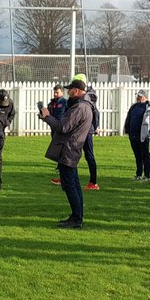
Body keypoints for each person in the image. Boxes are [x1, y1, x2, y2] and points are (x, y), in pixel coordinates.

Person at [40, 79, 94, 228]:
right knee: (74, 184)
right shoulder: (85, 105)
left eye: (70, 89)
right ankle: (76, 216)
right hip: (73, 148)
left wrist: (47, 117)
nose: (68, 92)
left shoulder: (79, 107)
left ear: (76, 90)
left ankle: (76, 219)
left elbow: (62, 127)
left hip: (68, 149)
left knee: (70, 185)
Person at [72, 74, 101, 190]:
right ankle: (68, 178)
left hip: (87, 130)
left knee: (89, 155)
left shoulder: (88, 98)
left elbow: (96, 112)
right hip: (81, 129)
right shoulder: (85, 97)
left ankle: (93, 182)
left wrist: (95, 126)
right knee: (72, 154)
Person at [123, 89, 150, 182]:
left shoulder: (149, 106)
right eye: (138, 96)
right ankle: (138, 174)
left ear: (145, 97)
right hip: (133, 134)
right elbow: (129, 118)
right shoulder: (134, 106)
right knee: (137, 156)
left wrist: (149, 133)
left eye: (140, 96)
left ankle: (147, 175)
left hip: (143, 135)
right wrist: (127, 130)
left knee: (145, 156)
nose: (138, 98)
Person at [48, 85, 68, 185]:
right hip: (54, 128)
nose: (55, 94)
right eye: (54, 92)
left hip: (60, 129)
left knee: (62, 150)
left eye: (57, 92)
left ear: (62, 93)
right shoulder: (52, 103)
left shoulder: (64, 102)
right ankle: (60, 168)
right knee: (57, 150)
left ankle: (62, 174)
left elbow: (60, 116)